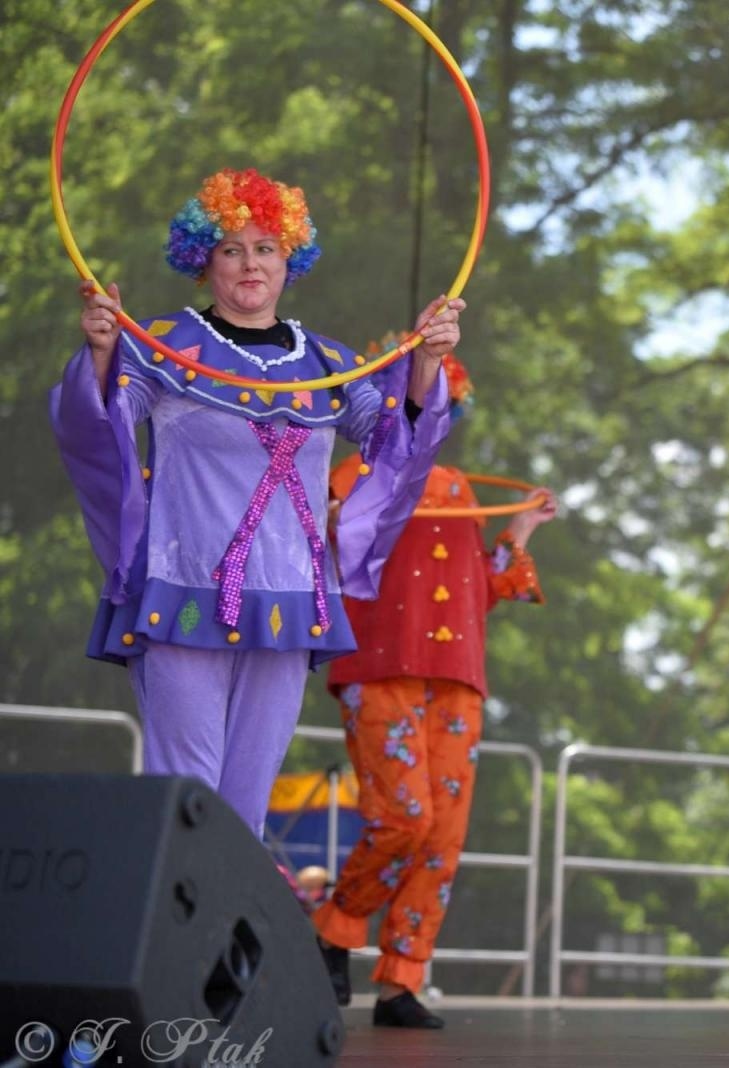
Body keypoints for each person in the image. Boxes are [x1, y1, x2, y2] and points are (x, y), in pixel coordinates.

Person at [51, 167, 461, 837]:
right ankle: (166, 937)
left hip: (290, 603)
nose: (250, 263)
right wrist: (101, 355)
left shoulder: (331, 363)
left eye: (266, 247)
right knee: (184, 791)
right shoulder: (161, 346)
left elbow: (391, 438)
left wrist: (422, 367)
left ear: (289, 258)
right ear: (203, 260)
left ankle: (214, 939)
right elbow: (100, 426)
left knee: (244, 806)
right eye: (231, 248)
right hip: (182, 596)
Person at [312, 351, 557, 1028]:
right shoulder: (356, 472)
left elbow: (487, 587)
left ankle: (402, 980)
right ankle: (334, 929)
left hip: (457, 675)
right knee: (403, 817)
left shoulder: (460, 489)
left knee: (442, 836)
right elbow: (323, 540)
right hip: (379, 664)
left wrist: (522, 527)